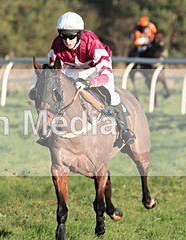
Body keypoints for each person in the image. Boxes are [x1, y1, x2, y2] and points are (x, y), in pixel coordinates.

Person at [45, 11, 135, 146]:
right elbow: (56, 72)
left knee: (112, 95)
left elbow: (105, 75)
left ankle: (125, 131)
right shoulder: (57, 45)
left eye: (71, 36)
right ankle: (51, 132)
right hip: (75, 69)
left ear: (79, 34)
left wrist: (89, 83)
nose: (67, 41)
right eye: (63, 36)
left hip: (96, 68)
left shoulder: (92, 43)